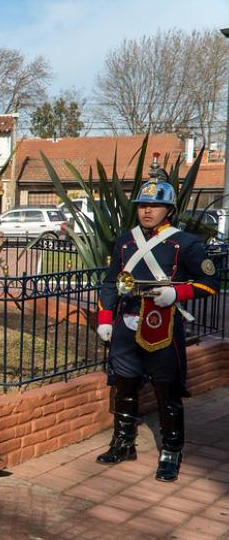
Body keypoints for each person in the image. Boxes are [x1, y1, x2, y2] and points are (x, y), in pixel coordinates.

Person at [95, 153, 219, 482]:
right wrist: (105, 318)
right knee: (124, 387)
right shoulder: (125, 241)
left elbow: (210, 284)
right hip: (127, 323)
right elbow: (111, 281)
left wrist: (176, 294)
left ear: (169, 209)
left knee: (167, 391)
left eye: (154, 205)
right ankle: (123, 442)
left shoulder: (186, 243)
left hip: (163, 324)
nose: (147, 210)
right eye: (141, 205)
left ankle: (171, 450)